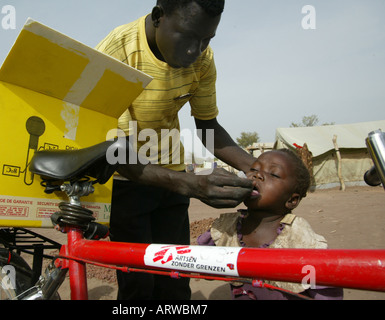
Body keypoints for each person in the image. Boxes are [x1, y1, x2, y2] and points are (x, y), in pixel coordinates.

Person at [95, 0, 255, 300]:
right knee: (139, 282)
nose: (196, 50)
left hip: (173, 174)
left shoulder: (203, 59)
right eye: (188, 37)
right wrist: (193, 185)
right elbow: (116, 152)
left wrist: (256, 168)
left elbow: (208, 128)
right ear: (159, 17)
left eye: (206, 39)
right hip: (127, 180)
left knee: (174, 279)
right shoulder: (117, 51)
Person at [198, 149, 344, 300]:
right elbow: (206, 271)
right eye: (253, 169)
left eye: (273, 174)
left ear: (292, 200)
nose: (257, 175)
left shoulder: (302, 240)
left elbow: (327, 294)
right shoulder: (226, 229)